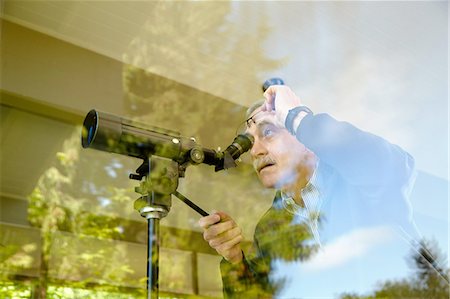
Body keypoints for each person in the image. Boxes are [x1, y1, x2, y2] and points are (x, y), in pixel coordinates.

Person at [198, 85, 423, 298]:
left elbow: (393, 166)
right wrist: (236, 260)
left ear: (304, 137)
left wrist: (298, 118)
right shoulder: (268, 230)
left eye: (268, 132)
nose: (256, 151)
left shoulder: (358, 180)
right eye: (250, 142)